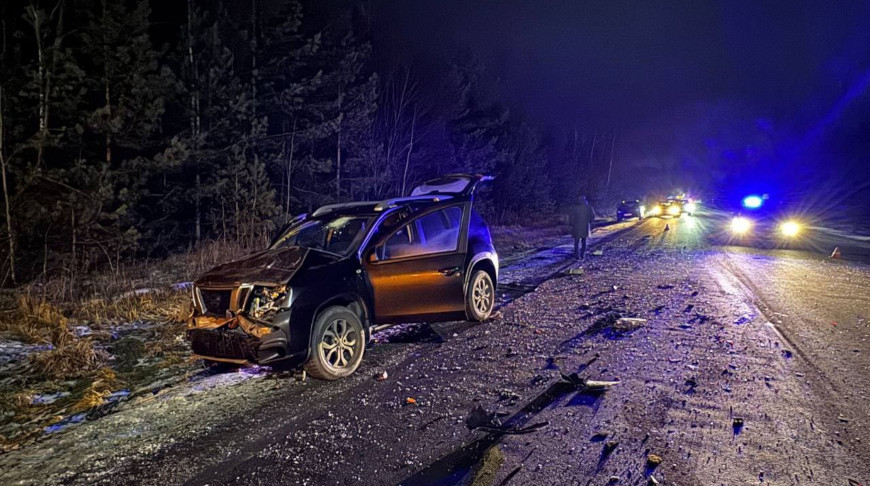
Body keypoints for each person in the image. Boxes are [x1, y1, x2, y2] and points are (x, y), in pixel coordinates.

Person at [568, 195, 595, 259]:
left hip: (576, 226)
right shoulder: (588, 207)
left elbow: (571, 216)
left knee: (576, 242)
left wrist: (571, 224)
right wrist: (590, 221)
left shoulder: (574, 207)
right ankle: (582, 254)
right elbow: (592, 216)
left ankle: (576, 255)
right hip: (585, 226)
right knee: (584, 241)